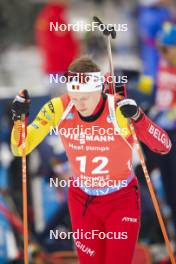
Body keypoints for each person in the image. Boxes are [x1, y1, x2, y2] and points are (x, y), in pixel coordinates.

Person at [11, 56, 171, 264]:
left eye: (85, 97)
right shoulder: (59, 107)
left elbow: (164, 146)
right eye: (74, 96)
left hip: (121, 200)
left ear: (99, 89)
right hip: (82, 201)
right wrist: (18, 120)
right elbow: (20, 148)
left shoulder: (118, 109)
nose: (79, 103)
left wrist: (139, 119)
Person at [150, 22, 176, 231]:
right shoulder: (163, 62)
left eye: (168, 48)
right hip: (162, 132)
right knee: (166, 182)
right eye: (163, 48)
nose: (165, 53)